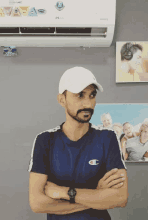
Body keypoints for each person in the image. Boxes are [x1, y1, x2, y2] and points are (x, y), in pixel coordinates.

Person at [28, 67, 128, 220]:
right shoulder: (45, 140)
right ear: (62, 100)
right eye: (80, 95)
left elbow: (120, 198)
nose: (88, 103)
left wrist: (65, 192)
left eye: (92, 95)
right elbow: (37, 203)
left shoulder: (108, 138)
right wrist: (97, 194)